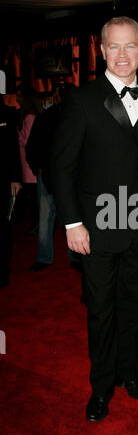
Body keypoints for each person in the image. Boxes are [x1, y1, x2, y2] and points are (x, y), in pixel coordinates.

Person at [50, 17, 138, 422]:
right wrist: (72, 223)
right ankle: (100, 388)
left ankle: (129, 375)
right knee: (100, 311)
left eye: (131, 46)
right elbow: (61, 168)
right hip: (95, 230)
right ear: (101, 50)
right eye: (115, 46)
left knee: (132, 307)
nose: (124, 54)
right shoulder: (82, 99)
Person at [25, 82, 82, 272]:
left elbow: (32, 146)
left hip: (54, 175)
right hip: (63, 176)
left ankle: (48, 257)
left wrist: (37, 167)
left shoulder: (49, 117)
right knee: (70, 217)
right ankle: (73, 256)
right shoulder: (77, 116)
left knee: (47, 218)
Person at [0, 94, 22, 287]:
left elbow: (12, 147)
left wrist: (16, 178)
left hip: (3, 179)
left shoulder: (6, 114)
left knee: (3, 225)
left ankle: (2, 269)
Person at [16, 86, 43, 234]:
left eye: (20, 96)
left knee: (34, 198)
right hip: (27, 163)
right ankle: (35, 223)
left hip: (29, 164)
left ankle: (36, 224)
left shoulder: (29, 117)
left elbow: (30, 143)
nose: (17, 99)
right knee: (33, 198)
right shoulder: (28, 116)